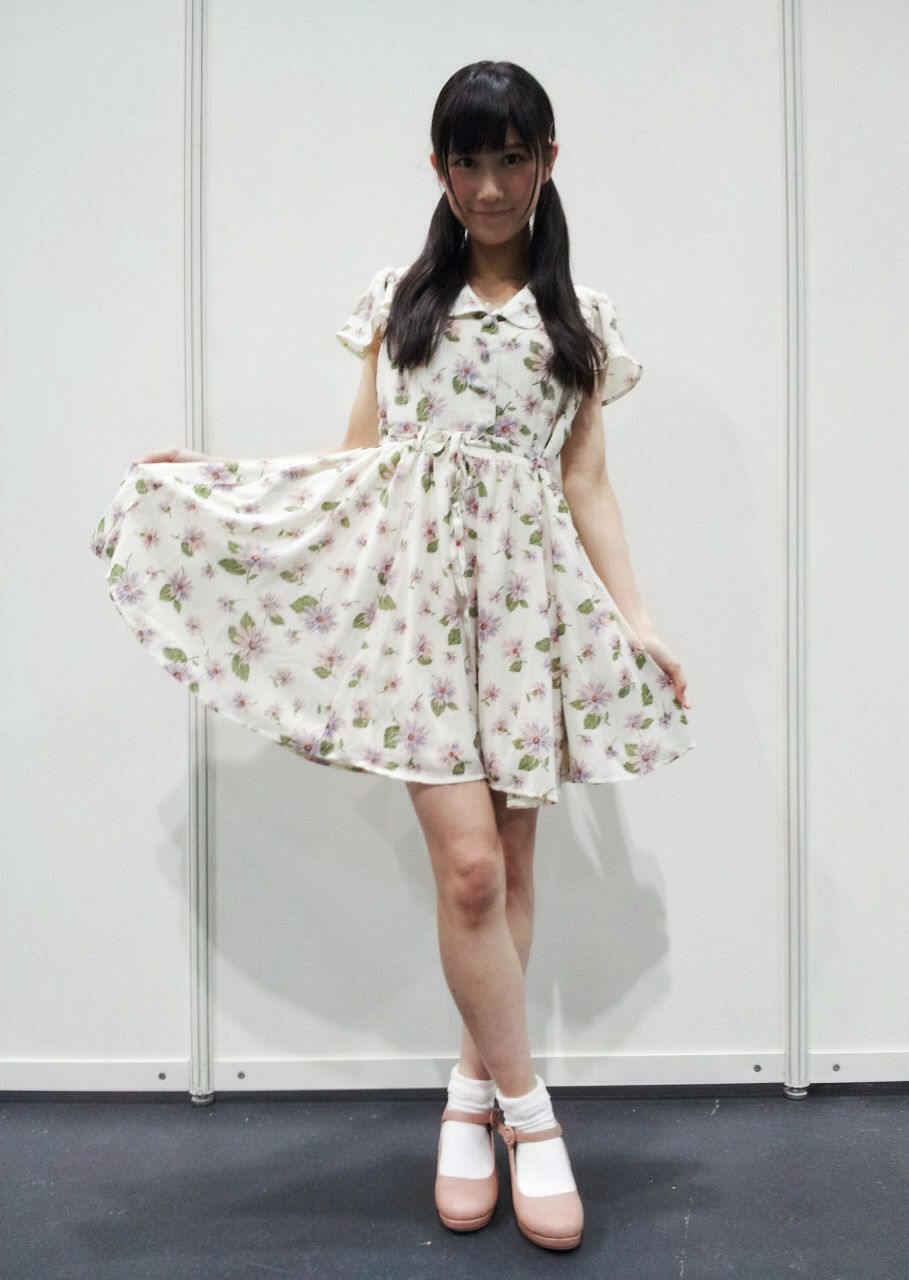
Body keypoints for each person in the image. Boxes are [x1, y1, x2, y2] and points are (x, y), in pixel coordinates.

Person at [90, 60, 695, 1252]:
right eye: (468, 161)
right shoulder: (400, 300)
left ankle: (468, 1097)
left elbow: (586, 481)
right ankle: (532, 1115)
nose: (490, 185)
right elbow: (357, 461)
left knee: (509, 868)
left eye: (511, 158)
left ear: (548, 162)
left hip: (521, 612)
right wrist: (214, 480)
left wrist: (638, 620)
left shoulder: (577, 321)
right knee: (468, 871)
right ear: (439, 169)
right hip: (416, 613)